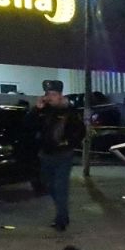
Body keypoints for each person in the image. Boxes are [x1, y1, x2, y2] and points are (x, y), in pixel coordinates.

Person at [36, 79, 85, 232]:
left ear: (60, 95)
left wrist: (68, 144)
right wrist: (36, 110)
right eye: (48, 94)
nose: (50, 97)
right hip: (45, 155)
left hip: (63, 155)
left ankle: (61, 219)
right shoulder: (44, 110)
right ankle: (62, 212)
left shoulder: (70, 111)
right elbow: (28, 126)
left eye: (53, 94)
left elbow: (81, 132)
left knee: (60, 187)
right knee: (48, 185)